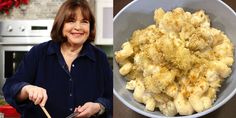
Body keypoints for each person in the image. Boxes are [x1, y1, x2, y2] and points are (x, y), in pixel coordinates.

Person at [2, 0, 113, 117]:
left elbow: (111, 97)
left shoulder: (100, 57)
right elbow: (10, 88)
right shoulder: (38, 53)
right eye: (71, 21)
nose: (78, 27)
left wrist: (98, 106)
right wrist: (27, 89)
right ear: (61, 24)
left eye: (84, 22)